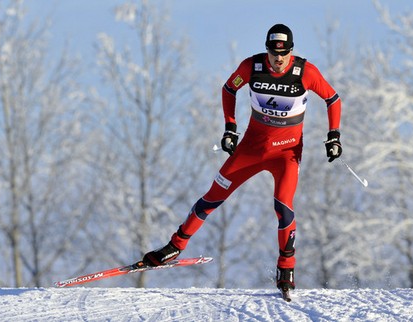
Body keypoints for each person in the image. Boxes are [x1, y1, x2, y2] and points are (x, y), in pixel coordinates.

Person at [142, 24, 342, 293]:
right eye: (272, 53)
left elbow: (333, 98)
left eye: (283, 54)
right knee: (212, 196)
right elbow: (228, 89)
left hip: (286, 153)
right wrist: (230, 127)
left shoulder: (305, 72)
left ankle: (286, 267)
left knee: (283, 206)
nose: (277, 59)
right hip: (251, 150)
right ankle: (174, 246)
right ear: (267, 50)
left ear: (291, 51)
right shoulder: (252, 66)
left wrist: (334, 136)